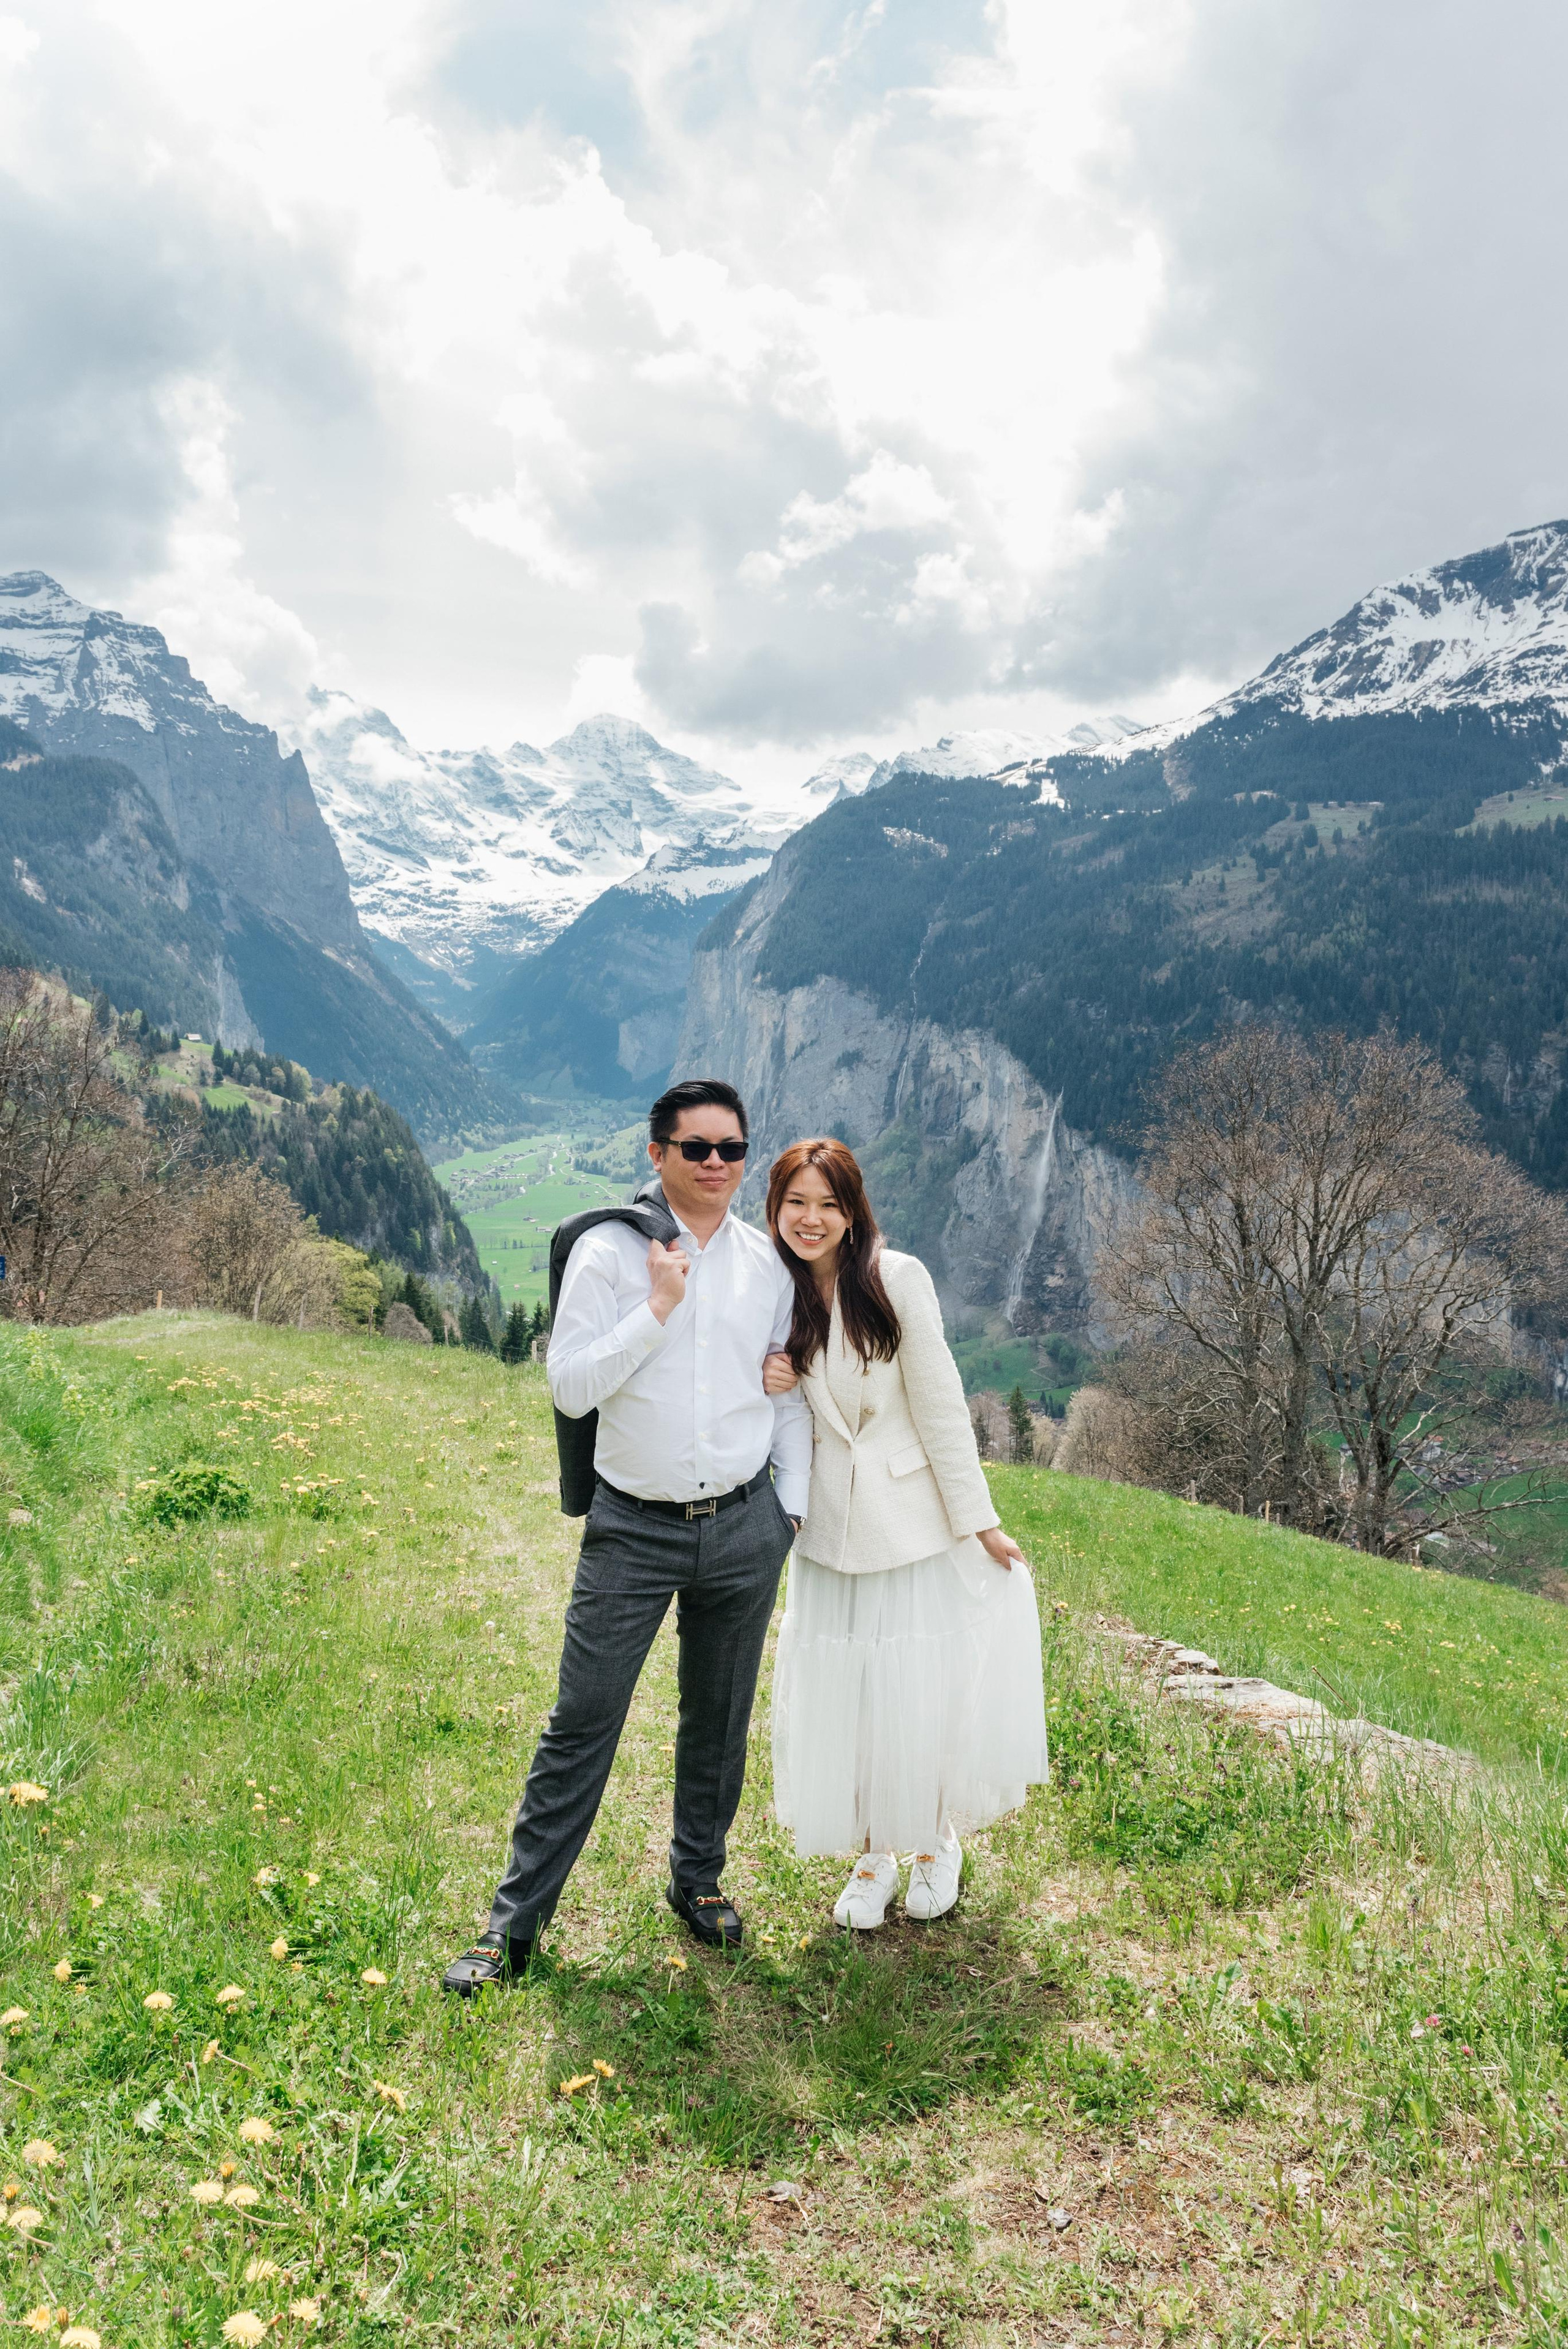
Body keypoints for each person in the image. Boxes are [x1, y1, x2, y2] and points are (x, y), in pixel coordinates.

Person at [442, 1079, 809, 1995]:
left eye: (732, 1147)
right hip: (632, 1529)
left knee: (719, 1720)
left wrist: (788, 1512)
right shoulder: (610, 1253)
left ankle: (700, 1881)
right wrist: (657, 1310)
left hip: (742, 1523)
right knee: (582, 1723)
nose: (718, 1164)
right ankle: (511, 1926)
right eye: (697, 1148)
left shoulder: (768, 1264)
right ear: (657, 1154)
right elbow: (569, 1387)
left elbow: (787, 1387)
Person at [763, 1138, 1048, 1929]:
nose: (811, 1219)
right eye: (797, 1203)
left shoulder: (897, 1278)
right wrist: (770, 1377)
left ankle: (931, 1841)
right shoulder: (776, 1292)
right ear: (776, 1210)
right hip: (823, 1533)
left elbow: (942, 1407)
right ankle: (870, 1853)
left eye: (828, 1203)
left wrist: (980, 1521)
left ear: (853, 1211)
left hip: (909, 1526)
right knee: (844, 1699)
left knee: (913, 1695)